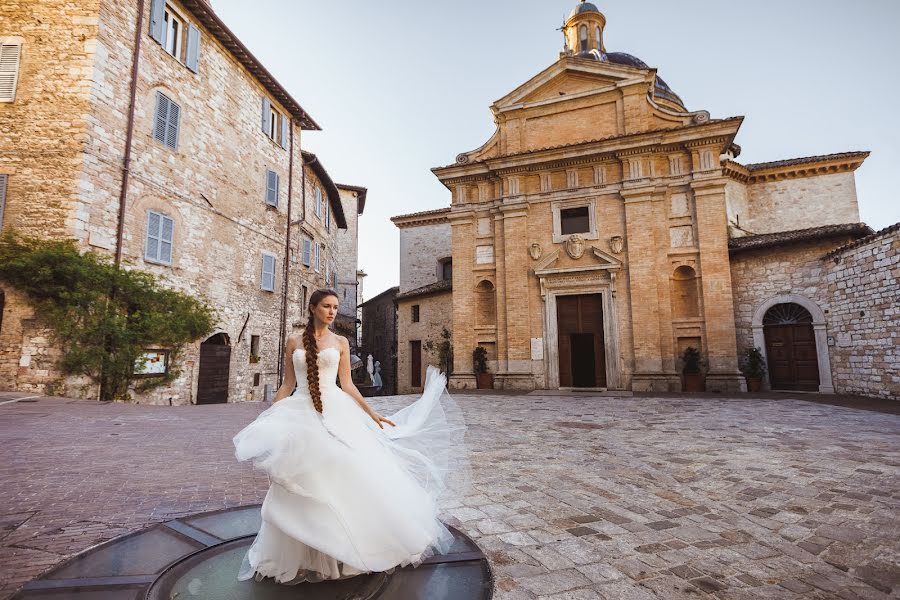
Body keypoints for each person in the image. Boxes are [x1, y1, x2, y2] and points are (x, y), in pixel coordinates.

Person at [233, 288, 468, 584]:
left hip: (337, 411)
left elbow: (348, 384)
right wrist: (273, 416)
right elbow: (287, 385)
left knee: (345, 469)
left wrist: (372, 414)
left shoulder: (341, 342)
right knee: (304, 477)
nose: (332, 312)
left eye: (335, 307)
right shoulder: (293, 341)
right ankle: (305, 553)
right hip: (301, 412)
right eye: (327, 307)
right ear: (313, 308)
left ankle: (345, 547)